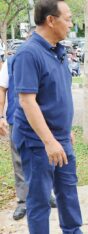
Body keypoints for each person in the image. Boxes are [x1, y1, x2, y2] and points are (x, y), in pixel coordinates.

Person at [12, 0, 82, 233]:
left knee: (68, 191)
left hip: (60, 138)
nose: (71, 24)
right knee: (40, 199)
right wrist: (49, 141)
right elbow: (27, 101)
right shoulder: (28, 54)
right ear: (51, 20)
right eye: (68, 19)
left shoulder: (58, 51)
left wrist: (65, 131)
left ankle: (73, 230)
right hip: (38, 142)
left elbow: (57, 94)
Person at [0, 28, 57, 221]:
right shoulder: (11, 62)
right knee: (19, 160)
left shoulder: (47, 59)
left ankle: (46, 193)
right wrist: (0, 116)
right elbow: (2, 90)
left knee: (45, 157)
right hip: (17, 119)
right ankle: (23, 201)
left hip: (43, 119)